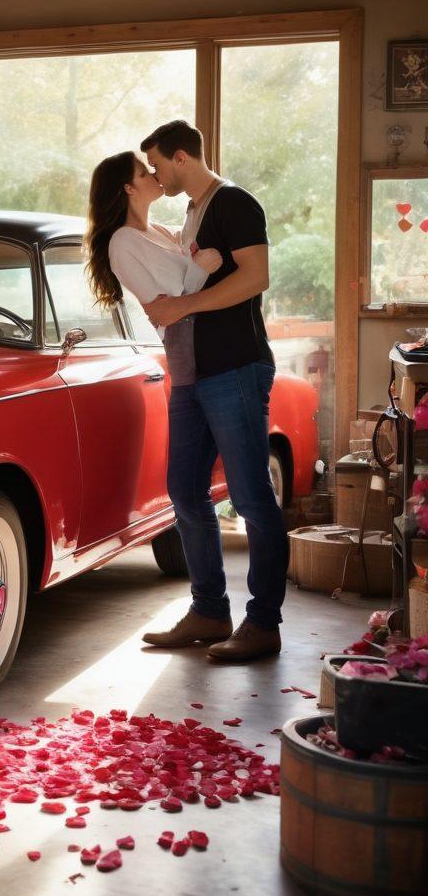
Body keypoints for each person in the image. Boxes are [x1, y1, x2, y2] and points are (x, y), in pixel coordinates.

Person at [136, 119, 288, 662]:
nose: (156, 173)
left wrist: (182, 306)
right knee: (184, 490)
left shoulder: (234, 203)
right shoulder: (192, 213)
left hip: (235, 370)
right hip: (193, 374)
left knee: (251, 499)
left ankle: (263, 622)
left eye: (158, 164)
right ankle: (208, 611)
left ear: (181, 157)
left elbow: (255, 278)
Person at [86, 151, 222, 390]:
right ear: (129, 188)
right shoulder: (122, 242)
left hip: (211, 340)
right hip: (188, 352)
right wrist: (201, 267)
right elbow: (165, 313)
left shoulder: (158, 230)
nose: (154, 176)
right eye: (143, 173)